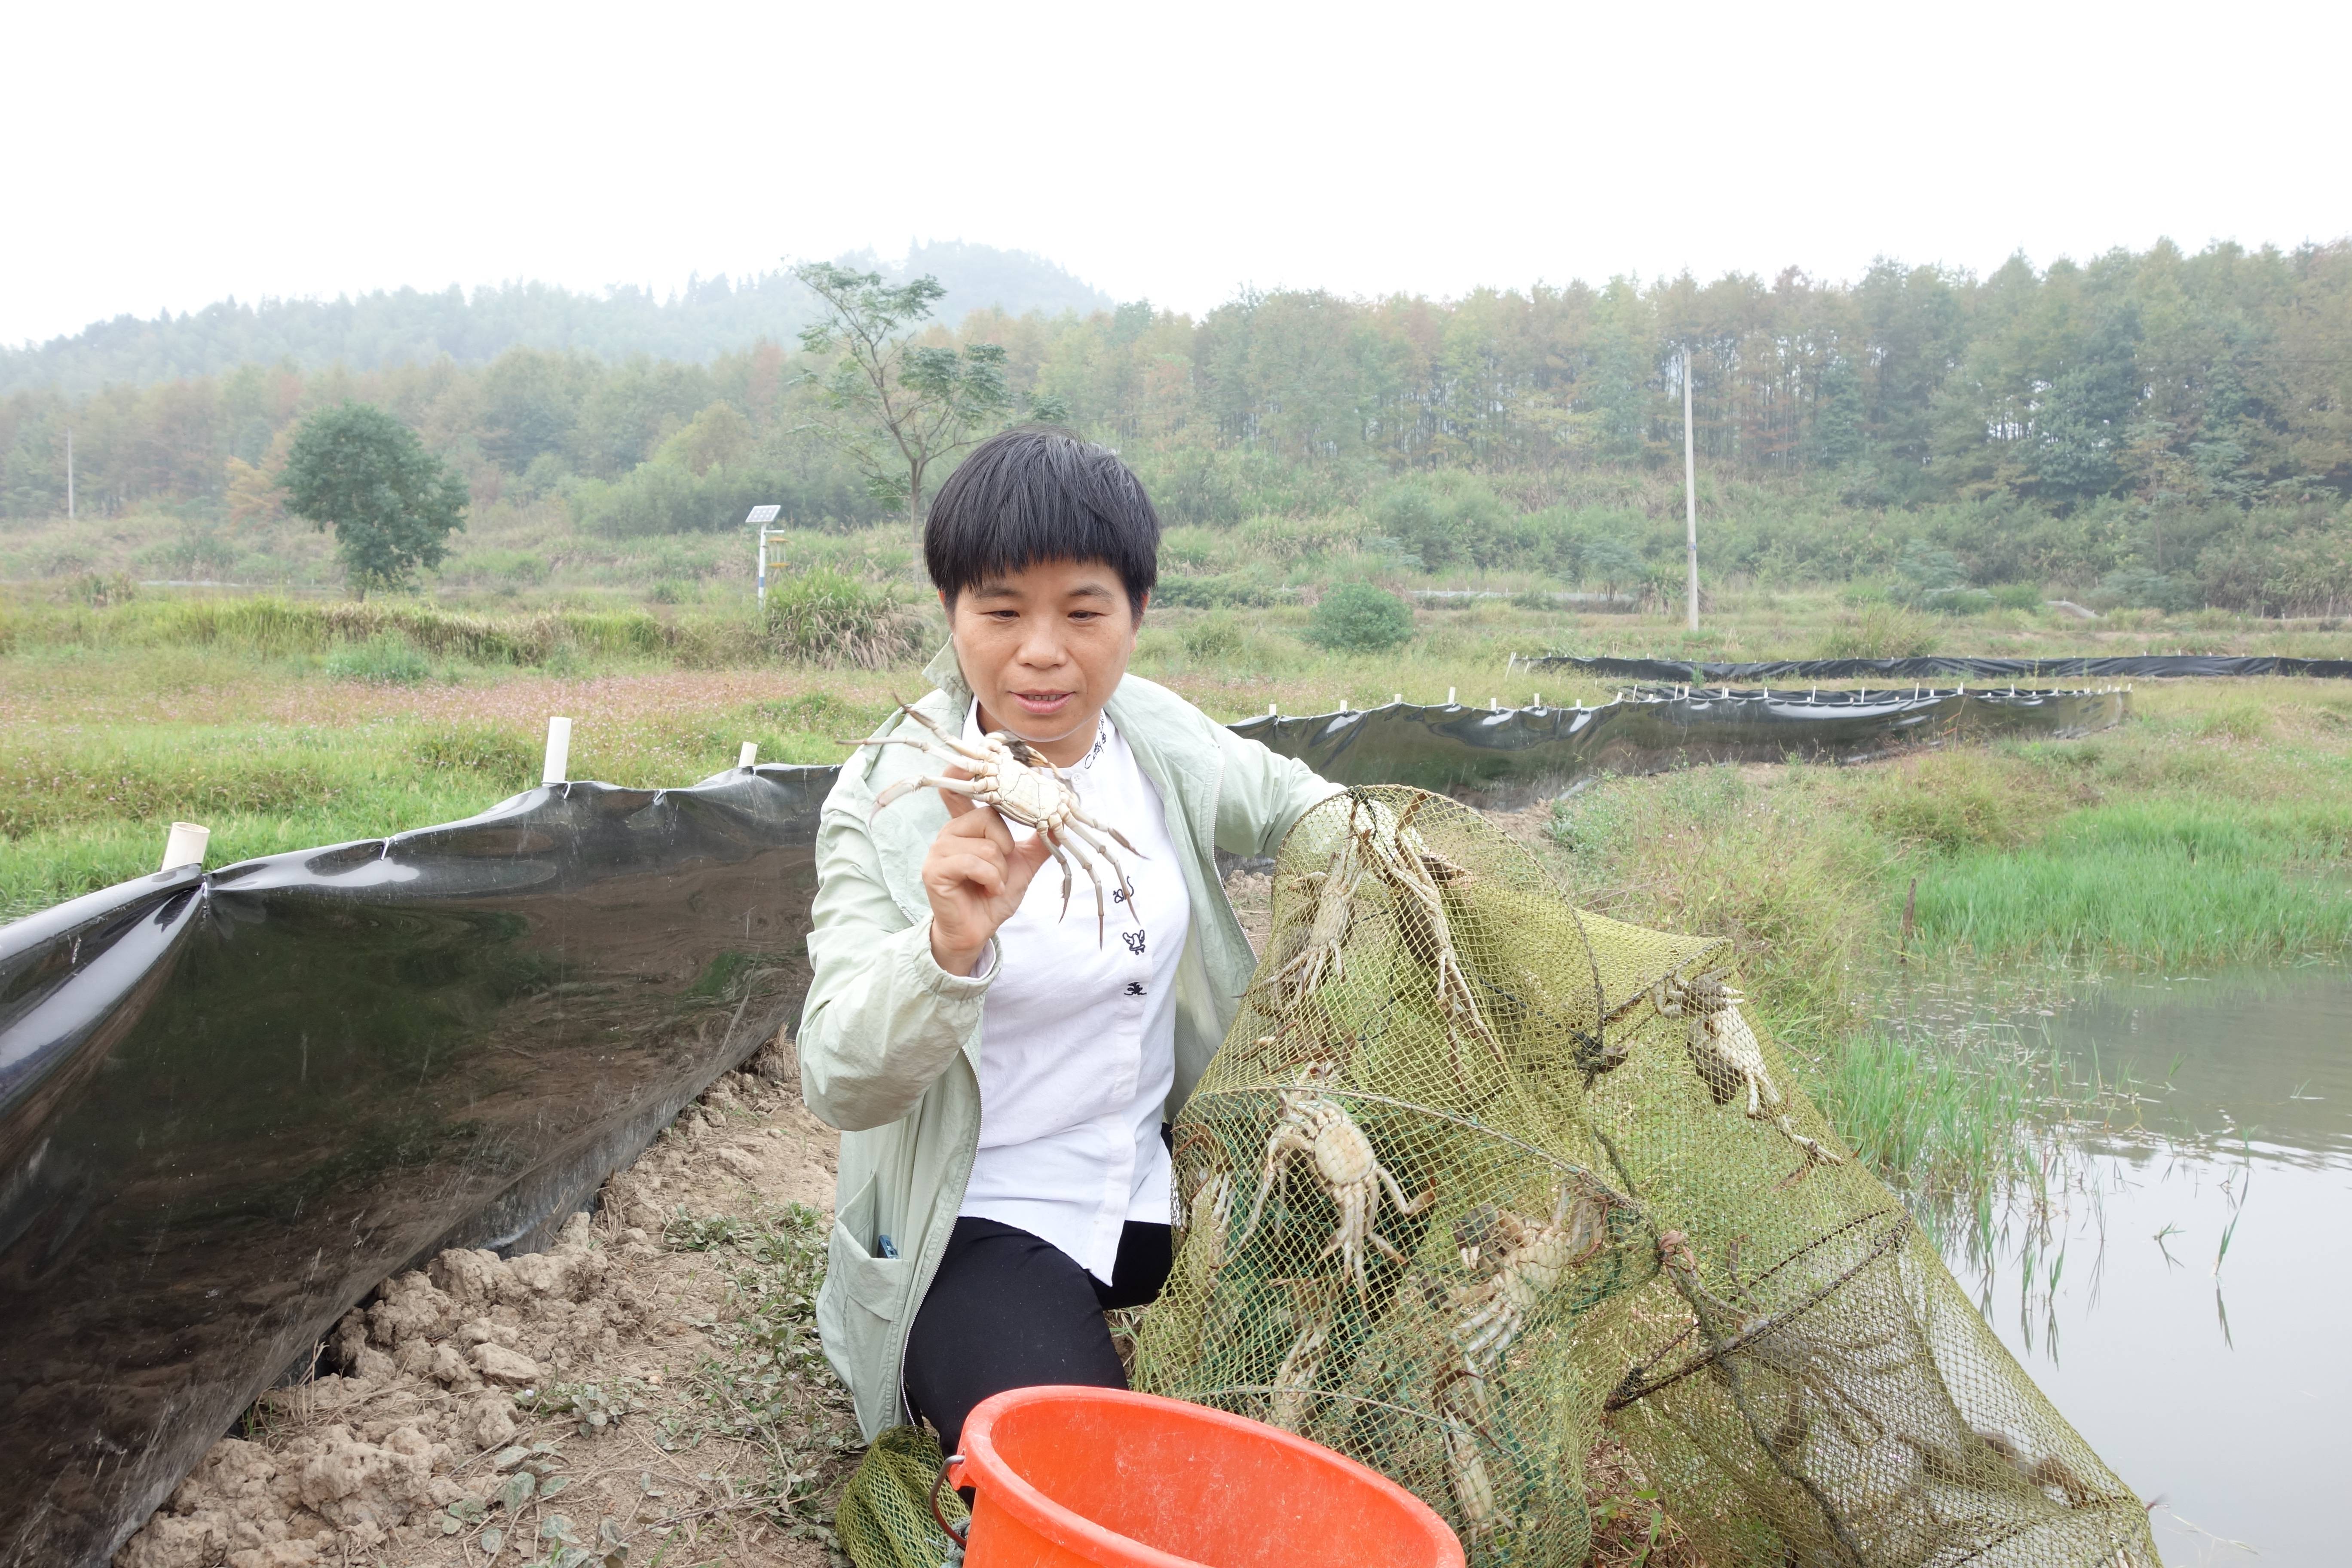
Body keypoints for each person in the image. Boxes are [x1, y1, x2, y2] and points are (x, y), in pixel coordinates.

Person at [798, 426, 1337, 1454]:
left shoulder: (1155, 735)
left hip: (1156, 1183)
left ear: (1136, 614)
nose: (1041, 651)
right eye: (1000, 611)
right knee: (1086, 1472)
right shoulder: (890, 794)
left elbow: (1304, 805)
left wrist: (1409, 859)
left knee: (1372, 1286)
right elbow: (839, 1076)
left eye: (1083, 612)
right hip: (980, 1217)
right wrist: (945, 951)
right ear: (954, 615)